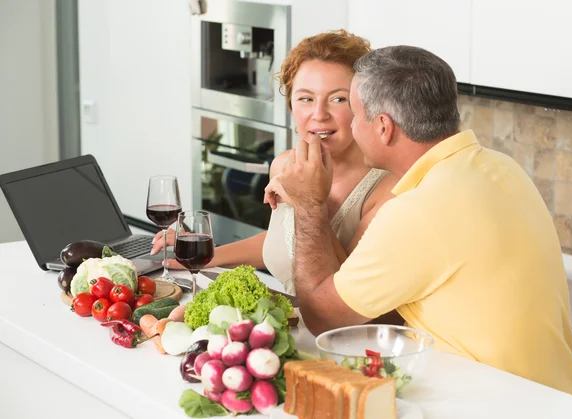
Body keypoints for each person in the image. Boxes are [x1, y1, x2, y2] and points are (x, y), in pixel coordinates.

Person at [263, 45, 572, 399]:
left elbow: (325, 316)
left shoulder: (417, 210)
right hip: (561, 399)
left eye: (354, 113)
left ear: (384, 127)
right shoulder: (502, 167)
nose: (352, 126)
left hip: (494, 403)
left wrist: (311, 204)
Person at [151, 30, 398, 295]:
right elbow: (283, 243)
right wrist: (203, 252)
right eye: (306, 98)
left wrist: (307, 203)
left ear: (364, 106)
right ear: (291, 105)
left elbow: (347, 295)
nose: (318, 114)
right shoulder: (284, 165)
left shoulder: (388, 189)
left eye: (338, 99)